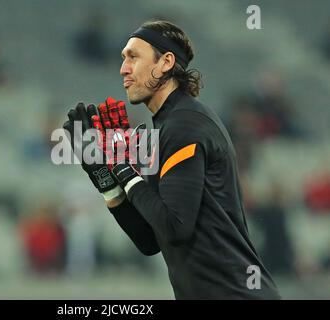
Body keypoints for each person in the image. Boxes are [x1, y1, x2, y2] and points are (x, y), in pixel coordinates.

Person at [63, 20, 280, 299]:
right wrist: (106, 179)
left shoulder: (185, 125)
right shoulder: (170, 126)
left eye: (133, 57)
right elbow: (151, 239)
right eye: (123, 59)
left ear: (165, 62)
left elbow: (175, 227)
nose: (123, 69)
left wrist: (121, 166)